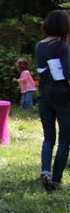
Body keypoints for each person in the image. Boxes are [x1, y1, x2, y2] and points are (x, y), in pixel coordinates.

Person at [35, 10, 70, 191]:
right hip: (63, 97)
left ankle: (45, 172)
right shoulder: (63, 47)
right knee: (65, 140)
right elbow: (67, 73)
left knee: (49, 137)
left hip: (44, 96)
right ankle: (56, 181)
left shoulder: (39, 46)